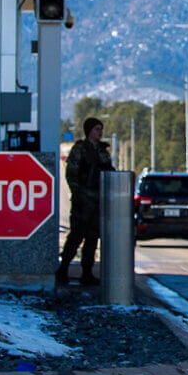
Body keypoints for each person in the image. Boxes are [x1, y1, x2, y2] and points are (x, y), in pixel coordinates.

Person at [57, 117, 115, 285]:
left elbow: (108, 171)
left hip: (97, 200)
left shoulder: (102, 151)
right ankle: (63, 269)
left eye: (101, 129)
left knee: (92, 238)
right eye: (97, 129)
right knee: (76, 236)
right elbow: (72, 173)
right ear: (89, 130)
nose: (100, 132)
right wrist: (78, 193)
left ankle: (87, 273)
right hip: (83, 200)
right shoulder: (80, 149)